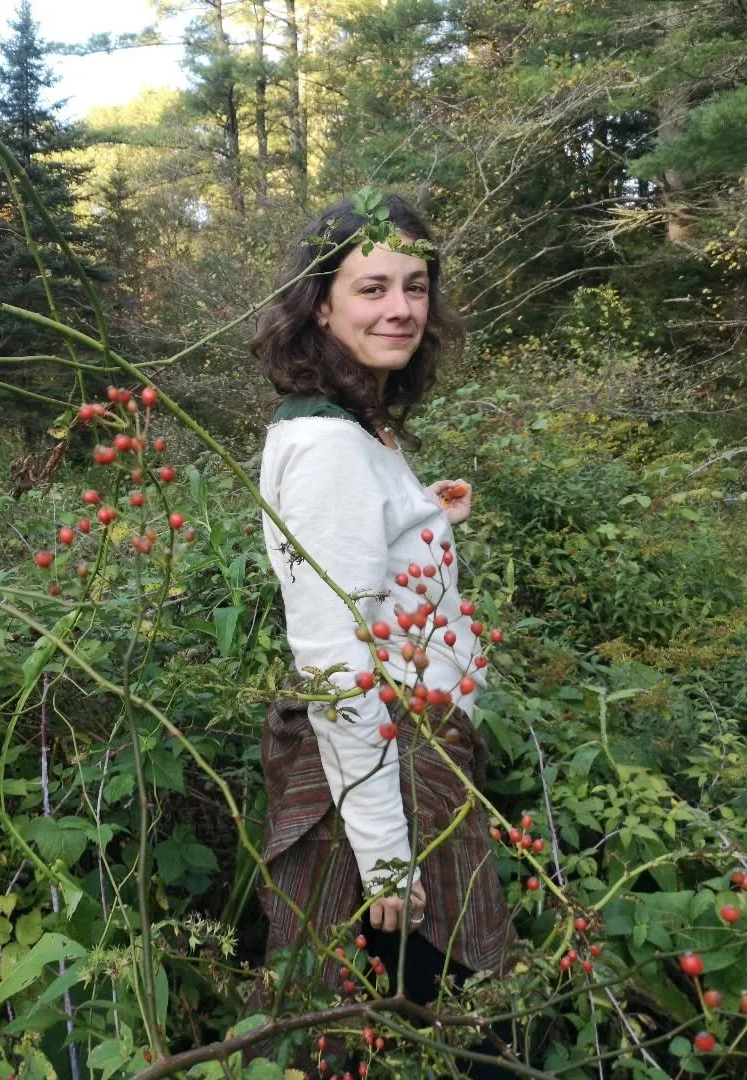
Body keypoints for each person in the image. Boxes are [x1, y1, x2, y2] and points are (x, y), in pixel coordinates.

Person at [250, 194, 515, 1075]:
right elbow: (332, 659)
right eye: (371, 288)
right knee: (415, 1027)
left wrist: (420, 519)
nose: (401, 307)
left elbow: (360, 572)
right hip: (382, 782)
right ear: (320, 304)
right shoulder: (329, 447)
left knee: (411, 1026)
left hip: (410, 758)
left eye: (415, 285)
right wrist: (388, 858)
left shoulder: (355, 429)